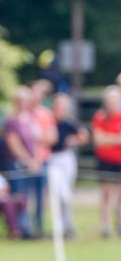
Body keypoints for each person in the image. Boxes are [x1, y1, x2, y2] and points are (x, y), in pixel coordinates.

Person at [48, 93, 89, 238]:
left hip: (65, 157)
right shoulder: (49, 121)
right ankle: (61, 226)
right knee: (58, 194)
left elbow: (84, 135)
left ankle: (67, 226)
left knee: (66, 194)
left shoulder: (68, 123)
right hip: (52, 158)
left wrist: (74, 140)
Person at [2, 86, 41, 238]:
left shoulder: (30, 119)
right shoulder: (12, 121)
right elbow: (14, 143)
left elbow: (36, 142)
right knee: (19, 197)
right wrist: (28, 160)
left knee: (28, 197)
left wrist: (36, 159)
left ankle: (29, 227)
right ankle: (19, 229)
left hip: (30, 164)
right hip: (17, 164)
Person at [91, 85, 121, 236]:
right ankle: (105, 224)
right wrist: (115, 139)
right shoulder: (100, 117)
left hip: (119, 161)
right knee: (106, 193)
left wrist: (108, 138)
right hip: (105, 161)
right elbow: (98, 140)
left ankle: (120, 223)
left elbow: (104, 139)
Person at [29, 79, 57, 236]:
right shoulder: (24, 114)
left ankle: (39, 227)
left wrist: (35, 137)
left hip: (43, 159)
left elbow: (52, 138)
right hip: (26, 162)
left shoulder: (46, 114)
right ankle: (25, 228)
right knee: (25, 196)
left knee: (41, 196)